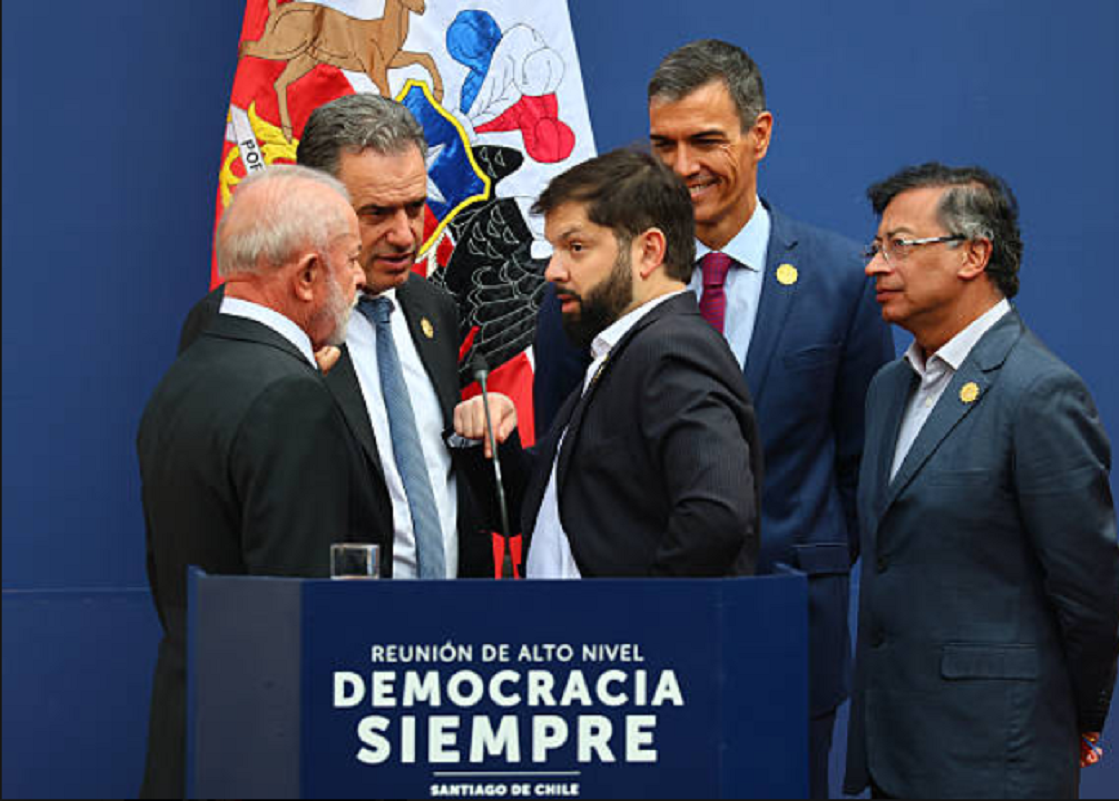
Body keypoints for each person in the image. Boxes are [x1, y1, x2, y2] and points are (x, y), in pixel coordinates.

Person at [531, 39, 893, 795]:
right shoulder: (590, 282)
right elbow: (569, 451)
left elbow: (863, 466)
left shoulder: (838, 280)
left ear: (760, 135)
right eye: (662, 142)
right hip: (625, 655)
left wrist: (802, 563)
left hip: (787, 631)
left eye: (706, 141)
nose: (682, 165)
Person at [845, 163, 1119, 798]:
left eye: (899, 246)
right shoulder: (889, 389)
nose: (874, 266)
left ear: (974, 254)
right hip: (896, 750)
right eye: (875, 247)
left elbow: (1089, 590)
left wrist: (1074, 716)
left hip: (997, 756)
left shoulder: (1039, 392)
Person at [137, 165, 391, 798]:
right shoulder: (290, 399)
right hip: (266, 756)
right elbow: (296, 622)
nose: (362, 278)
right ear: (308, 276)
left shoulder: (187, 372)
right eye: (352, 259)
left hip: (189, 735)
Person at [179, 94, 491, 579]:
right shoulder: (253, 323)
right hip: (333, 630)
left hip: (448, 633)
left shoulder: (433, 306)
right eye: (377, 214)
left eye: (414, 207)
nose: (407, 234)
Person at [455, 148, 761, 577]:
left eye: (576, 247)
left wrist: (636, 628)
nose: (552, 271)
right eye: (555, 248)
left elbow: (718, 512)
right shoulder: (621, 351)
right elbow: (549, 504)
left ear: (648, 251)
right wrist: (490, 440)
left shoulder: (672, 351)